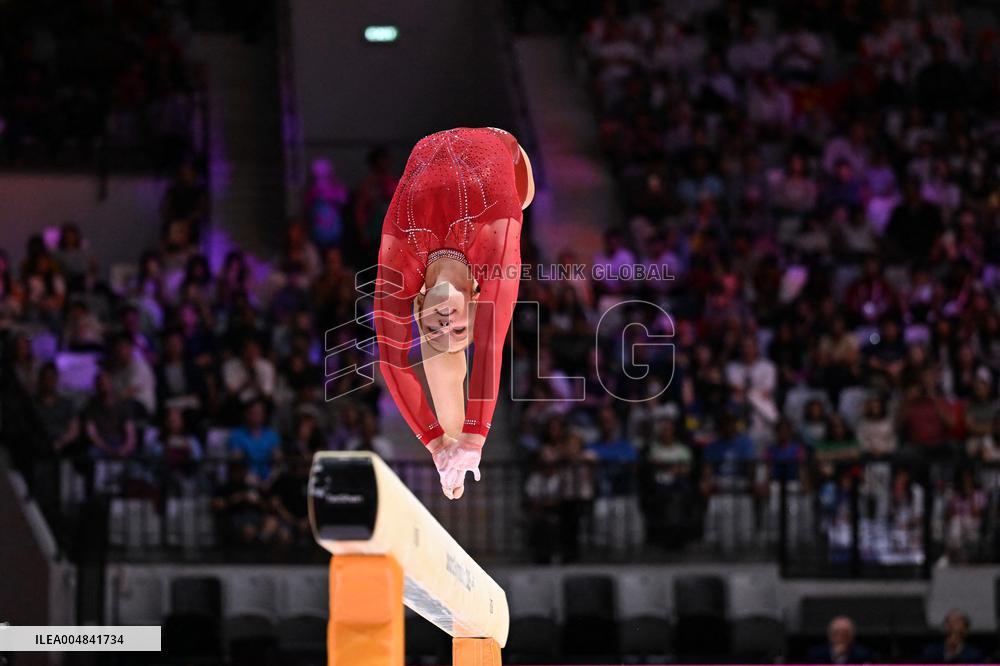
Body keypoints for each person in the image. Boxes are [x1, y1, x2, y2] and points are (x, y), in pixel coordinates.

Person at [373, 127, 535, 499]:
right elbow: (490, 347)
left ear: (418, 305)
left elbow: (391, 361)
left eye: (435, 329)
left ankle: (452, 442)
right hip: (504, 151)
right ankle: (456, 434)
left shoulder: (400, 264)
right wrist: (473, 437)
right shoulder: (496, 252)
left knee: (442, 363)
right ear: (476, 301)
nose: (446, 324)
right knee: (524, 198)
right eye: (459, 330)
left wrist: (436, 444)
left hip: (428, 143)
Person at [920, 610, 984, 663]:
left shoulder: (974, 655)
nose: (952, 624)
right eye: (948, 621)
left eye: (957, 621)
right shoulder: (931, 652)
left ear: (965, 629)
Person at [807, 616, 872, 664]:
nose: (840, 637)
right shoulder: (816, 654)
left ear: (852, 635)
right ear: (830, 634)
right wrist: (836, 655)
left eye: (845, 634)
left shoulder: (863, 654)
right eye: (836, 633)